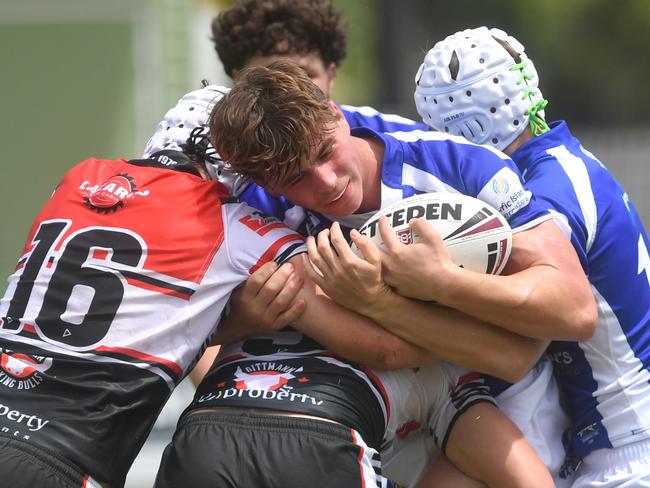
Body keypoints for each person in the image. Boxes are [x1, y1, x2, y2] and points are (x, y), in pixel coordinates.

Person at [412, 26, 650, 487]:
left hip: (626, 452)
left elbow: (511, 345)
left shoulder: (545, 198)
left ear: (465, 127)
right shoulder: (561, 164)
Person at [155, 328, 555, 488]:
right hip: (320, 444)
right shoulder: (439, 367)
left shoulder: (262, 309)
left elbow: (204, 355)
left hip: (201, 436)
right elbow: (529, 479)